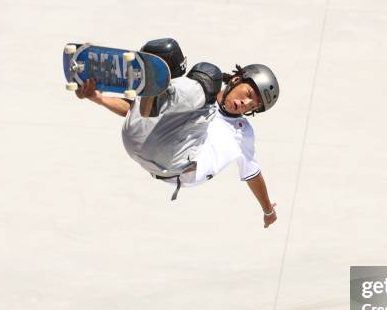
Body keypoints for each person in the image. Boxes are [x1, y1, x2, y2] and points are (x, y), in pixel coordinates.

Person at [75, 38, 279, 228]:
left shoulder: (243, 133)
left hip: (177, 163)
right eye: (249, 94)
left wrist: (268, 210)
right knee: (173, 55)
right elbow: (132, 112)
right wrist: (97, 97)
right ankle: (156, 84)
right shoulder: (199, 97)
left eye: (254, 106)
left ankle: (157, 87)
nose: (246, 103)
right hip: (138, 139)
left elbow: (253, 174)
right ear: (235, 80)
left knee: (207, 73)